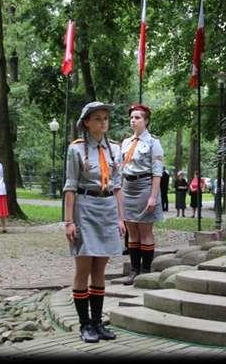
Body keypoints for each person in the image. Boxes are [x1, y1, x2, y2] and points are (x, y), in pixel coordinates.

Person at [63, 101, 126, 343]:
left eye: (105, 118)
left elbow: (118, 185)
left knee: (100, 269)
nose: (103, 122)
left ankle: (98, 322)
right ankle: (84, 324)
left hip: (108, 209)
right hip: (85, 207)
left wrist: (121, 218)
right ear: (86, 123)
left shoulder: (115, 150)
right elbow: (69, 186)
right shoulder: (76, 149)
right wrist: (68, 222)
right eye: (97, 118)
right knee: (83, 268)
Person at [119, 103, 164, 286]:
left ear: (146, 121)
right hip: (128, 189)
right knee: (132, 233)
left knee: (145, 231)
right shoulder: (126, 143)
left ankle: (146, 271)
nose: (133, 120)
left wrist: (153, 196)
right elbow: (122, 169)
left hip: (145, 187)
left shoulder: (154, 143)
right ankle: (134, 270)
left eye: (137, 117)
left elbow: (157, 172)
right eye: (131, 117)